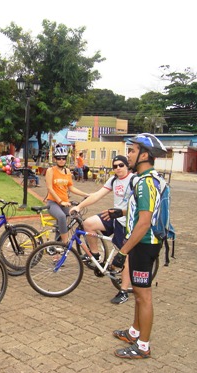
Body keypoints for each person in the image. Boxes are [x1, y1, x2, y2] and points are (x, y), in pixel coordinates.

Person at [111, 133, 167, 359]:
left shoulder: (145, 183)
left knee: (144, 296)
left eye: (132, 151)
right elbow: (144, 214)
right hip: (141, 244)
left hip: (144, 245)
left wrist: (123, 251)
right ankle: (135, 332)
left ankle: (143, 346)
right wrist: (122, 212)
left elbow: (144, 222)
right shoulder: (145, 180)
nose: (129, 155)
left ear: (145, 155)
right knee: (138, 292)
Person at [70, 155, 135, 304]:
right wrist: (79, 207)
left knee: (124, 255)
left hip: (127, 222)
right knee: (88, 224)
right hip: (113, 216)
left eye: (121, 165)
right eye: (115, 166)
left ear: (127, 166)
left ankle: (124, 290)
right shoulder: (113, 180)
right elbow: (97, 195)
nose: (118, 168)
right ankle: (96, 255)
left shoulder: (134, 181)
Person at [45, 145, 89, 244]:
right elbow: (50, 188)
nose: (61, 160)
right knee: (61, 217)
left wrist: (86, 194)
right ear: (55, 159)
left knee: (63, 224)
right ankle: (65, 243)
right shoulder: (50, 171)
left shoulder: (67, 171)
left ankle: (57, 250)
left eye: (63, 158)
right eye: (59, 158)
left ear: (66, 159)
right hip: (53, 202)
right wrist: (60, 202)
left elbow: (71, 188)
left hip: (65, 202)